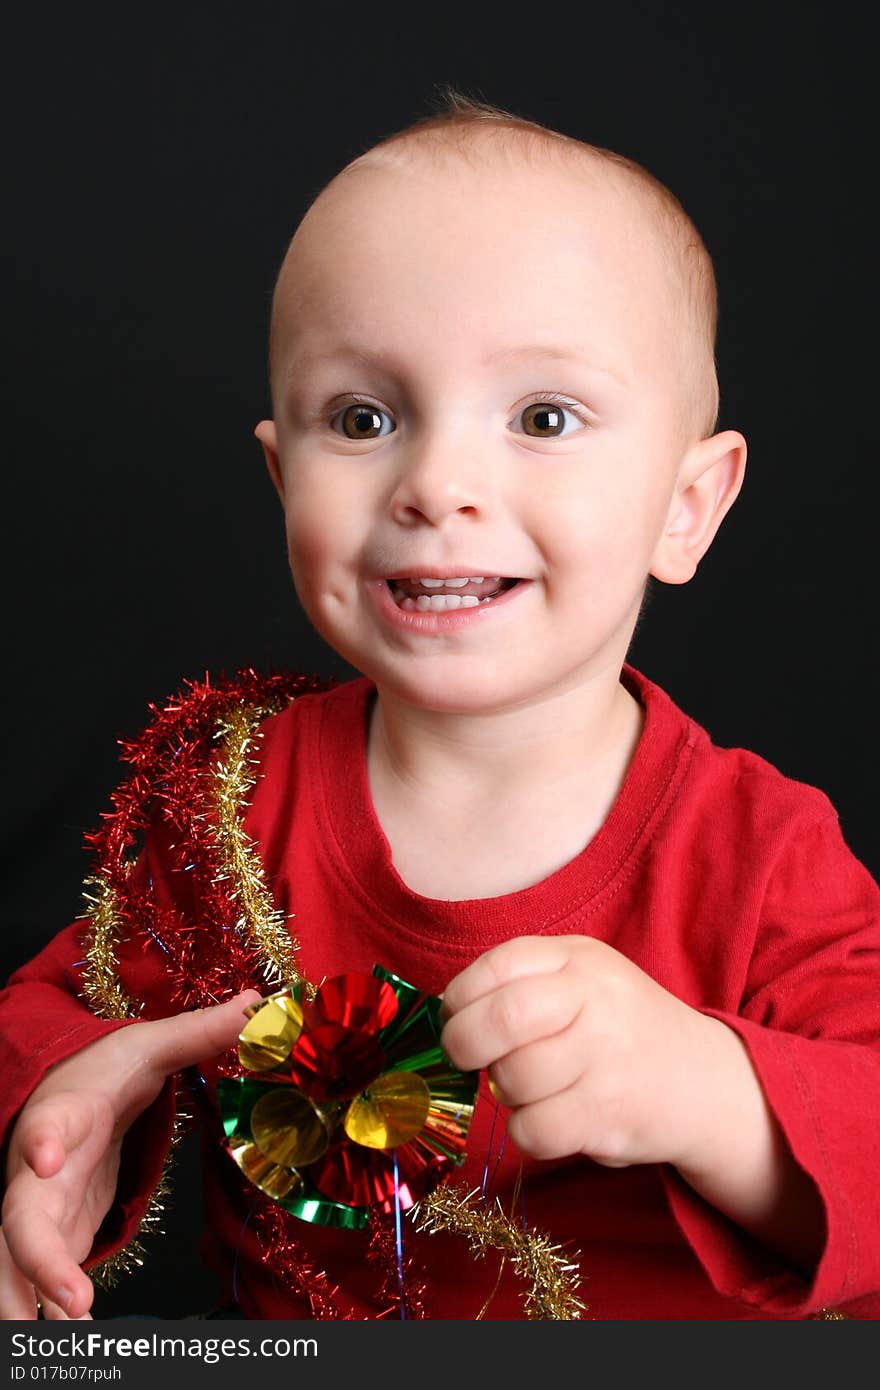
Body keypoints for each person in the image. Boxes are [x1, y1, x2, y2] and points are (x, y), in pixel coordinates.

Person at [1, 90, 878, 1323]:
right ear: (280, 474)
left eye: (542, 417)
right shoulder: (225, 806)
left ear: (686, 506)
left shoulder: (762, 854)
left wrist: (711, 1092)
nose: (437, 483)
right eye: (364, 418)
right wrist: (66, 1097)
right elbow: (43, 1013)